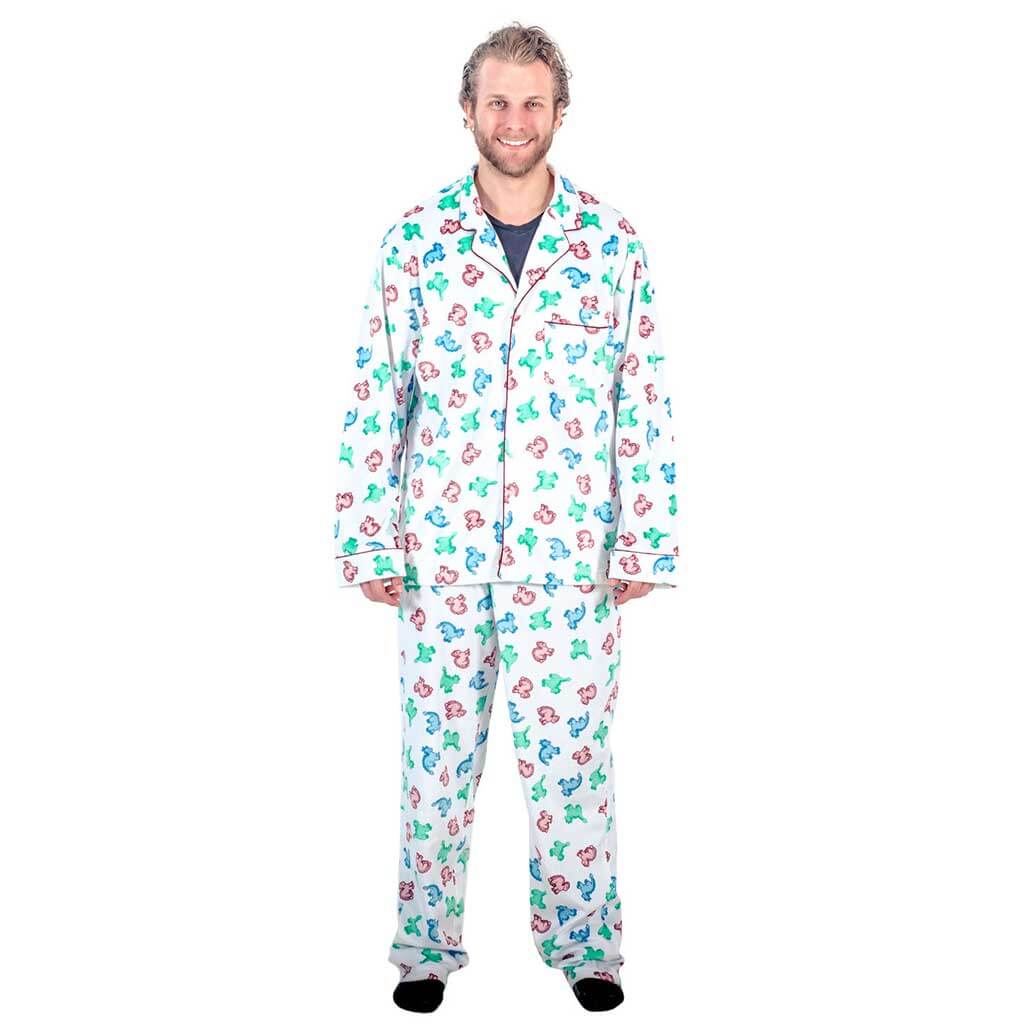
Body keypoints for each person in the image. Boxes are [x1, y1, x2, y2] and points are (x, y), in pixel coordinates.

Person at [333, 22, 680, 1014]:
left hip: (571, 564)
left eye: (532, 102)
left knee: (572, 764)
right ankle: (424, 950)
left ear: (559, 113)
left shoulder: (610, 244)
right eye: (498, 101)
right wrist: (368, 535)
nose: (515, 120)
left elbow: (640, 396)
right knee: (433, 766)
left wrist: (645, 535)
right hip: (438, 561)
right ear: (468, 111)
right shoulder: (414, 242)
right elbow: (377, 395)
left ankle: (587, 948)